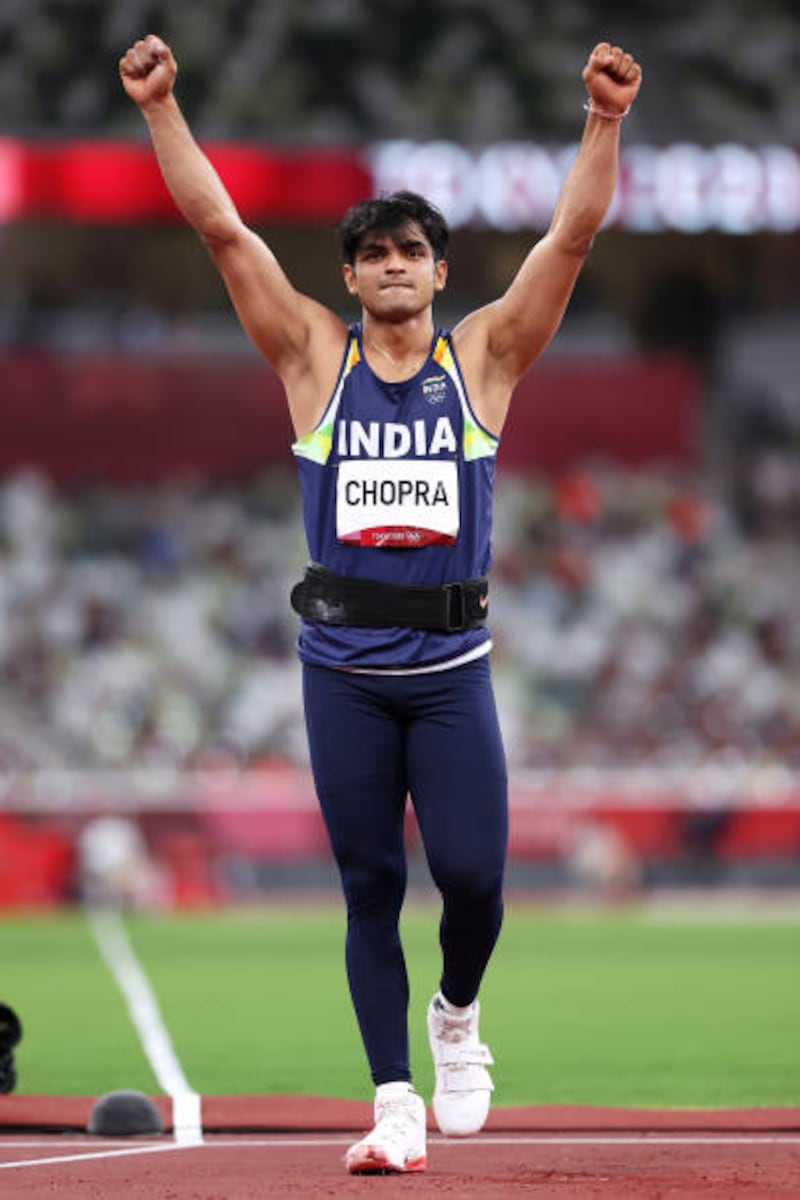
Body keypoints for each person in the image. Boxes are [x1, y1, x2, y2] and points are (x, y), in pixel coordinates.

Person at [120, 35, 642, 1175]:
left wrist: (601, 122)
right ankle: (393, 1097)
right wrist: (161, 107)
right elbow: (223, 232)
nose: (392, 263)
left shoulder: (482, 363)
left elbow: (570, 237)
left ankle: (455, 1017)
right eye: (371, 253)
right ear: (349, 279)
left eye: (410, 249)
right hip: (342, 671)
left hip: (451, 673)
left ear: (437, 272)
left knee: (473, 879)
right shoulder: (314, 361)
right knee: (366, 886)